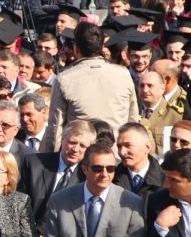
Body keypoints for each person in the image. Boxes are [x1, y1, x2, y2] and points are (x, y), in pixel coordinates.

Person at [45, 23, 138, 151]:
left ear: (76, 48)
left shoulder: (64, 79)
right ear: (102, 47)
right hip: (115, 153)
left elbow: (56, 128)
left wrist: (51, 157)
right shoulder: (123, 74)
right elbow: (133, 121)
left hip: (82, 154)